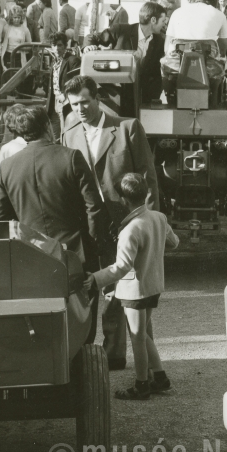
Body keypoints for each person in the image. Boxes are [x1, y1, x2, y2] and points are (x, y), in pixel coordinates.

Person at [62, 74, 161, 371]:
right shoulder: (70, 131)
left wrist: (149, 222)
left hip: (126, 221)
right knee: (102, 284)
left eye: (85, 102)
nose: (80, 109)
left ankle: (130, 358)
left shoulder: (127, 128)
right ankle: (111, 354)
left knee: (129, 288)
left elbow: (148, 178)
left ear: (97, 98)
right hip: (90, 223)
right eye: (74, 104)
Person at [86, 172, 178, 400]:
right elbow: (174, 243)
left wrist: (95, 279)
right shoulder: (159, 218)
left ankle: (141, 384)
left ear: (123, 200)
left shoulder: (130, 230)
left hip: (134, 290)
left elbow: (121, 267)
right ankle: (159, 377)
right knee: (143, 334)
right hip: (153, 285)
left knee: (137, 336)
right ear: (146, 193)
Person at [0, 103, 112, 275]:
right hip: (75, 252)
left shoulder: (7, 166)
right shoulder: (71, 157)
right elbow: (93, 206)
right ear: (47, 126)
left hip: (31, 253)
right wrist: (95, 244)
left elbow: (0, 216)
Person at [163, 0, 227, 93]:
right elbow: (223, 48)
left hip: (176, 67)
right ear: (214, 0)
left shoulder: (177, 12)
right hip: (209, 69)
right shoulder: (220, 15)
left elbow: (167, 48)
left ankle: (170, 96)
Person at [102, 1, 169, 105]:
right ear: (153, 20)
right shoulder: (121, 30)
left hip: (142, 99)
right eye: (163, 21)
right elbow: (92, 38)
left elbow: (155, 73)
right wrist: (87, 47)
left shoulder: (159, 41)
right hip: (118, 96)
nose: (165, 24)